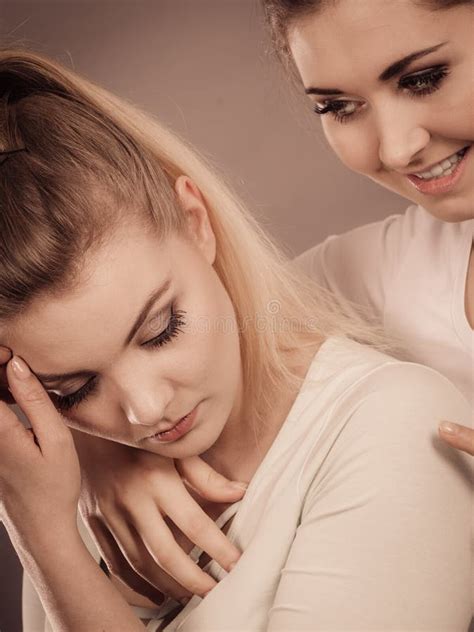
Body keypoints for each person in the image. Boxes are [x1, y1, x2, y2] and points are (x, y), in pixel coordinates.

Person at [20, 0, 471, 610]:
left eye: (423, 78)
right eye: (338, 107)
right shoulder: (365, 276)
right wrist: (106, 451)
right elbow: (121, 321)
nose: (395, 148)